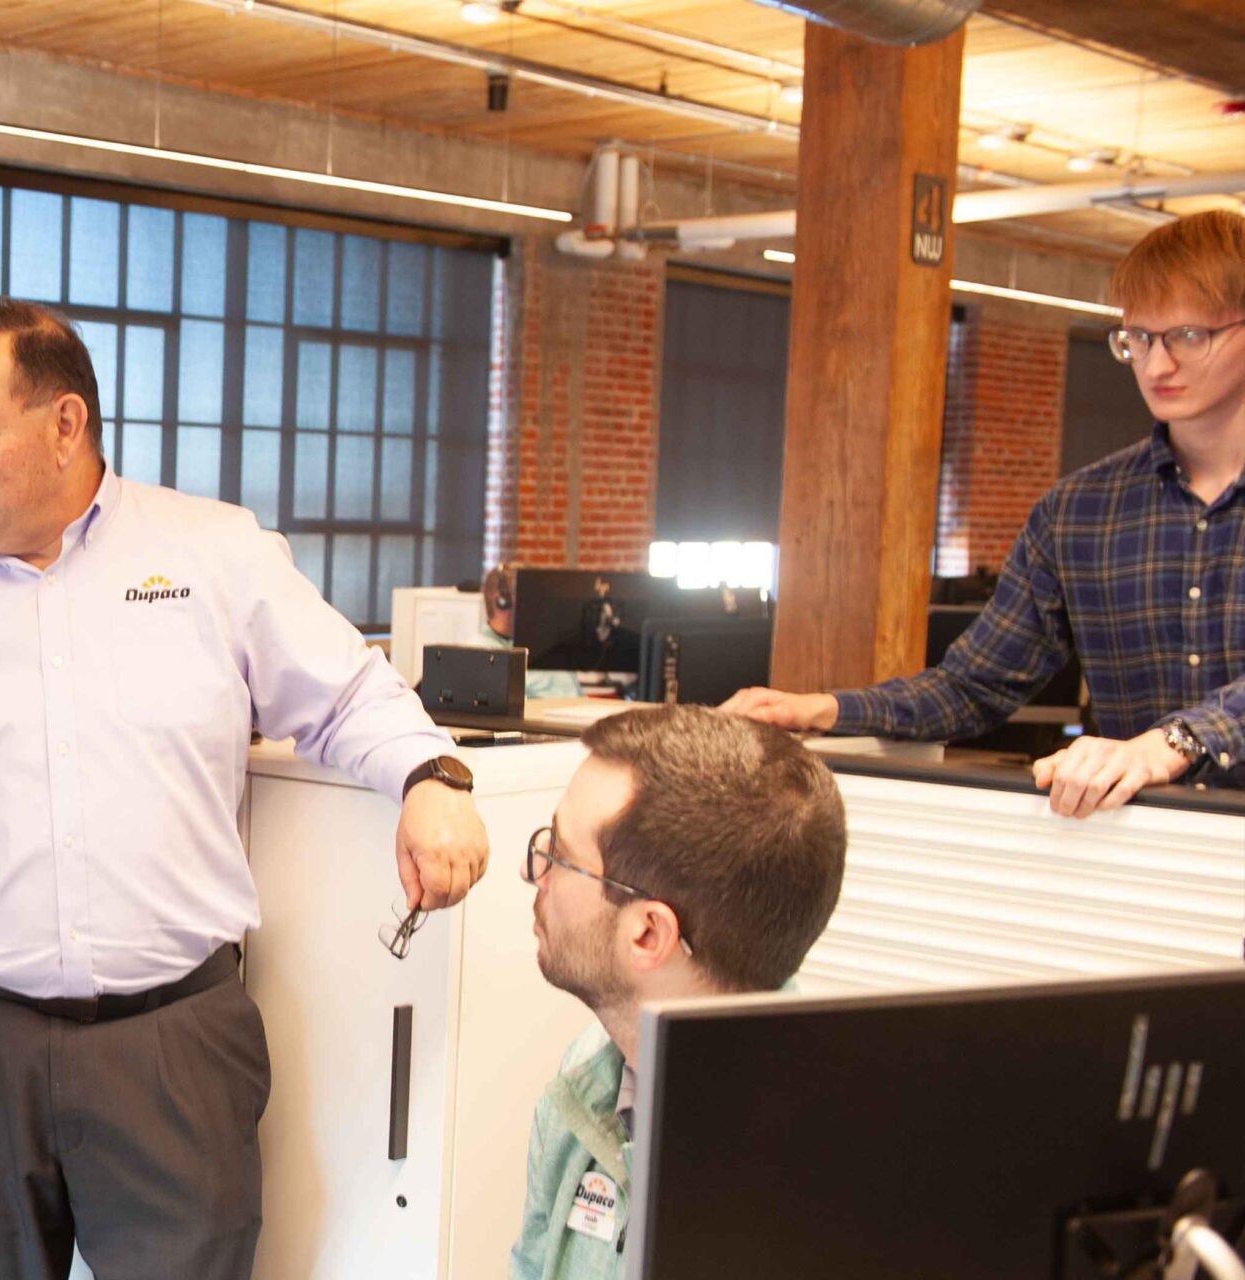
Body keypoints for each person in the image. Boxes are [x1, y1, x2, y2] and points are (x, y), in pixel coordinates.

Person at [0, 300, 493, 1279]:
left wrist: (430, 774)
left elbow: (347, 693)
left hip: (173, 1045)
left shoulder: (214, 554)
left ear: (65, 423)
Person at [723, 209, 1245, 817]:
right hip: (1142, 857)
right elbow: (974, 687)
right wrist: (822, 709)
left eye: (1187, 336)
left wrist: (1176, 741)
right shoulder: (1079, 513)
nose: (1156, 366)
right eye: (1138, 340)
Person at [509, 704, 847, 1280]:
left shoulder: (823, 1178)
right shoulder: (590, 1077)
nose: (533, 872)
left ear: (648, 933)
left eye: (560, 856)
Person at [481, 563, 588, 701]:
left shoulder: (546, 645)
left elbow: (581, 696)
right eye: (529, 597)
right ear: (502, 601)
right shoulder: (483, 653)